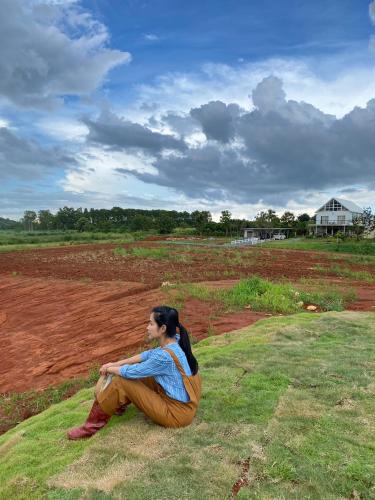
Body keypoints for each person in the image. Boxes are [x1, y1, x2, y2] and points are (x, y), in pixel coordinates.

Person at [67, 305, 201, 440]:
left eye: (151, 323)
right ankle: (118, 403)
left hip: (176, 415)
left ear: (163, 328)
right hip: (185, 408)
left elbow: (132, 372)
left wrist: (109, 369)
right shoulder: (175, 340)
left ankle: (90, 427)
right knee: (140, 374)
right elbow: (147, 355)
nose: (147, 327)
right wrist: (115, 364)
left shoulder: (164, 356)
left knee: (122, 381)